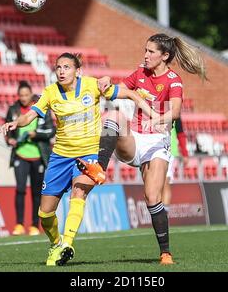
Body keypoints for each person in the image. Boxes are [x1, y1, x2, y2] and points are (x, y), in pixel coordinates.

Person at [0, 52, 159, 266]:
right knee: (45, 214)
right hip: (60, 157)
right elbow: (30, 115)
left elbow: (128, 93)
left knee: (79, 192)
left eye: (66, 67)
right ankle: (56, 244)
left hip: (89, 154)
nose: (62, 71)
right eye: (58, 67)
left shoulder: (91, 85)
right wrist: (15, 123)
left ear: (77, 71)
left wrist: (153, 114)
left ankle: (67, 244)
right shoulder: (50, 92)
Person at [77, 33, 207, 265]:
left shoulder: (173, 81)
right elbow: (116, 91)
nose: (145, 55)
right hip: (135, 140)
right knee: (114, 115)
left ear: (164, 55)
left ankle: (165, 252)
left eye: (150, 52)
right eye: (145, 50)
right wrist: (105, 82)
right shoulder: (140, 73)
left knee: (151, 197)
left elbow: (175, 112)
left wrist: (156, 121)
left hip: (157, 143)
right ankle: (98, 167)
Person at [4, 80, 55, 236]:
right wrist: (9, 140)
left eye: (26, 95)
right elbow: (8, 128)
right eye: (21, 95)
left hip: (38, 156)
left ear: (31, 95)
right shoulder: (13, 109)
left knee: (36, 192)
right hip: (20, 154)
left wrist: (36, 134)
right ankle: (19, 224)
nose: (24, 97)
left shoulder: (40, 109)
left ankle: (34, 225)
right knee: (20, 189)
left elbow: (51, 131)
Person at [163, 117, 190, 208]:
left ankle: (163, 217)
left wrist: (185, 153)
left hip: (170, 151)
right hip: (154, 150)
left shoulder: (174, 113)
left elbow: (180, 133)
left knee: (165, 182)